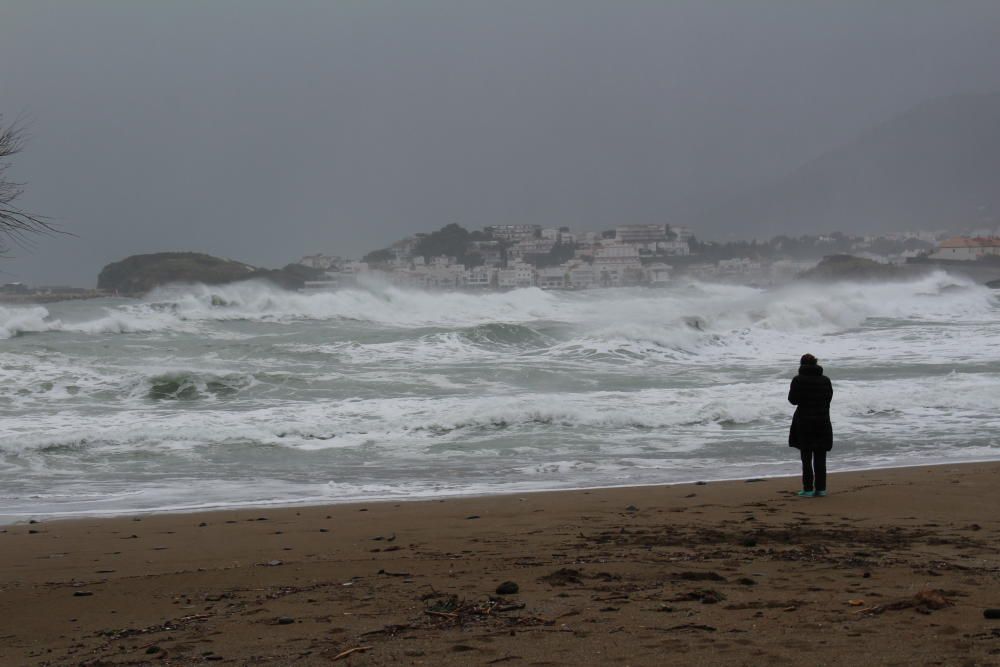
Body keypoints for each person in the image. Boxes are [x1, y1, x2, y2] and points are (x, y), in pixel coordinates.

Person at [788, 353, 833, 497]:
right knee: (820, 456)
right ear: (816, 364)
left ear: (801, 365)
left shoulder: (798, 380)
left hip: (804, 421)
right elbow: (828, 398)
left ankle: (807, 489)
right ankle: (821, 489)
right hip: (822, 420)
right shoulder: (825, 380)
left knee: (806, 457)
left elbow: (793, 400)